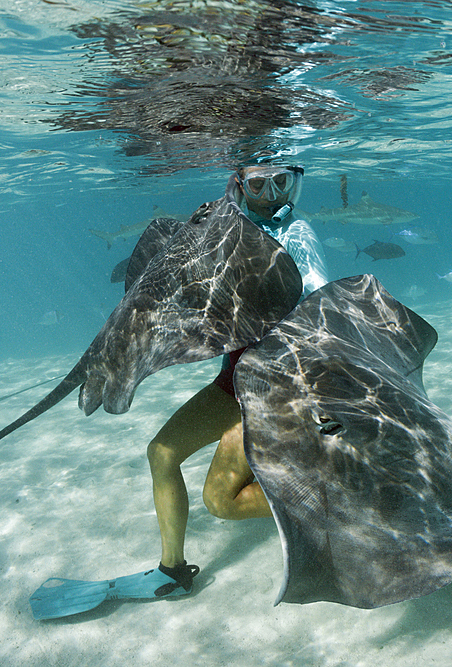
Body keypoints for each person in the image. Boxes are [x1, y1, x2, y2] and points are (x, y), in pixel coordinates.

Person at [135, 164, 330, 598]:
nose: (271, 194)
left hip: (275, 386)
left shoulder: (296, 232)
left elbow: (320, 293)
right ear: (241, 186)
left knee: (221, 500)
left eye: (281, 181)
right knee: (161, 452)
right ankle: (173, 571)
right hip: (234, 378)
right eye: (259, 183)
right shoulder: (228, 227)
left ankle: (337, 502)